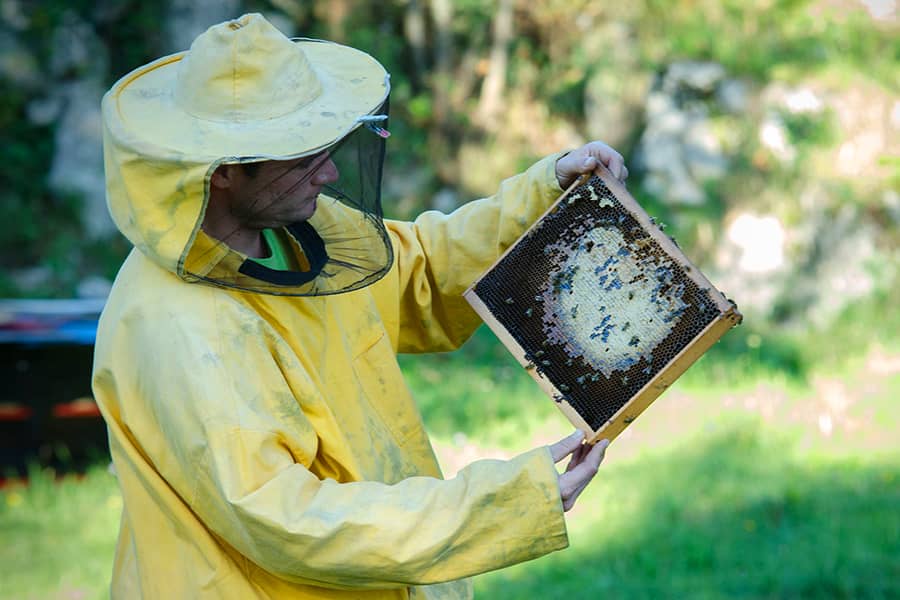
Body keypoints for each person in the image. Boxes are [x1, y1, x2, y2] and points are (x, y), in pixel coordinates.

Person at [93, 13, 629, 600]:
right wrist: (500, 505)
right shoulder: (179, 328)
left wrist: (545, 191)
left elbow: (420, 269)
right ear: (222, 172)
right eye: (303, 160)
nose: (328, 173)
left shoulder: (300, 224)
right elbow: (287, 521)